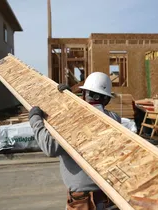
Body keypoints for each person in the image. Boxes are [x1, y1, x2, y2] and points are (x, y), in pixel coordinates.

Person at [29, 72, 120, 210]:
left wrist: (35, 120)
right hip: (112, 199)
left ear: (84, 95)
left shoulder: (71, 124)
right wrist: (69, 102)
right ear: (107, 100)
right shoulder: (114, 119)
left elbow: (50, 147)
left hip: (84, 203)